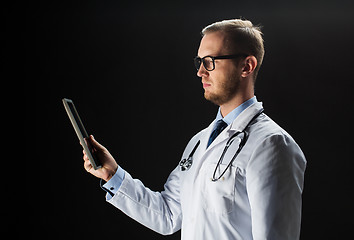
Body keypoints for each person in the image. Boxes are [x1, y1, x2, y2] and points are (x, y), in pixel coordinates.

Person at [82, 19, 307, 240]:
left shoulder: (271, 144)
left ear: (246, 66)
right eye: (199, 61)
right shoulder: (200, 142)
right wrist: (112, 175)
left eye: (210, 61)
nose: (200, 72)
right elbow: (169, 215)